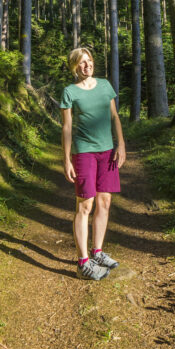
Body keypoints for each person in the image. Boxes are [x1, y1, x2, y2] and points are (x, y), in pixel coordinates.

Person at [60, 47, 126, 280]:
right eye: (81, 62)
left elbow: (114, 116)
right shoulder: (69, 92)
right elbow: (67, 127)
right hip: (84, 152)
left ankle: (97, 252)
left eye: (89, 61)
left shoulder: (105, 86)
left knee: (104, 202)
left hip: (107, 151)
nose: (87, 65)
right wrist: (66, 159)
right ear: (74, 66)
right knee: (85, 205)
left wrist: (121, 144)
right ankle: (83, 263)